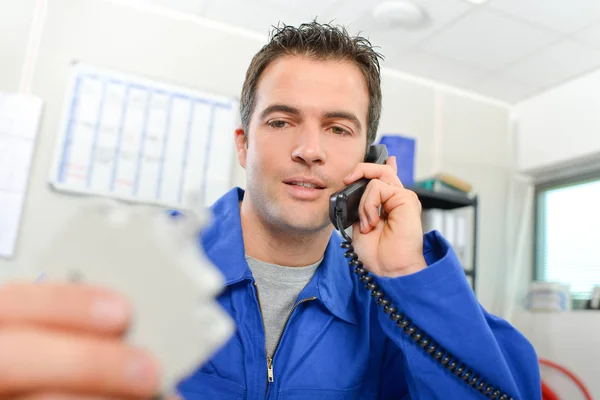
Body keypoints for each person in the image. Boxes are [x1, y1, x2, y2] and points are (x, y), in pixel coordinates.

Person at [0, 22, 541, 400]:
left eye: (338, 128)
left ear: (369, 159)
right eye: (281, 121)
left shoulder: (392, 298)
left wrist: (407, 276)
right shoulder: (132, 262)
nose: (310, 148)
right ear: (243, 145)